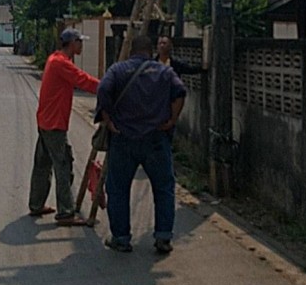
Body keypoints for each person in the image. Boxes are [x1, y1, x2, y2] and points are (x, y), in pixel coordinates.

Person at [96, 34, 187, 254]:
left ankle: (121, 238)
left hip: (124, 138)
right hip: (156, 139)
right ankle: (163, 237)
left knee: (117, 189)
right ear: (150, 51)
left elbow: (102, 91)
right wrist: (172, 120)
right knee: (164, 188)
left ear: (131, 51)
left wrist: (108, 122)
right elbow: (180, 92)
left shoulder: (117, 70)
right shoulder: (164, 72)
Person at [28, 28, 99, 225]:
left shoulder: (55, 59)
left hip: (46, 120)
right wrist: (106, 87)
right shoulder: (61, 63)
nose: (82, 45)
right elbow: (83, 80)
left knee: (42, 165)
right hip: (54, 123)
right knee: (63, 164)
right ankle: (66, 212)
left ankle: (36, 204)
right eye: (79, 42)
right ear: (71, 43)